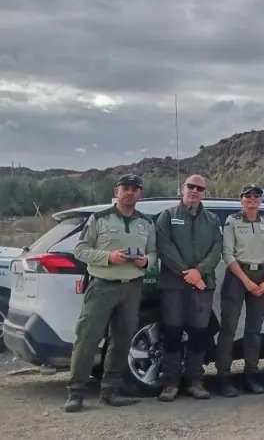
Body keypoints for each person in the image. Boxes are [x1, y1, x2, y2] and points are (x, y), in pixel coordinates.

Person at [63, 174, 155, 413]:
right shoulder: (99, 218)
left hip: (132, 287)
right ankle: (76, 393)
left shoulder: (146, 222)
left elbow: (153, 252)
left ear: (140, 194)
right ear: (117, 192)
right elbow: (80, 250)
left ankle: (111, 391)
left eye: (135, 189)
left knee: (122, 341)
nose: (130, 192)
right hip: (102, 286)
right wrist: (108, 257)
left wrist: (146, 262)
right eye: (125, 188)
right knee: (87, 339)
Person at [154, 174, 222, 401]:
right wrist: (189, 273)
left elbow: (217, 249)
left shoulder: (212, 220)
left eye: (199, 188)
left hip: (203, 286)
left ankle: (195, 381)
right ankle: (170, 383)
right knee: (172, 333)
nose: (194, 191)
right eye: (191, 186)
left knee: (199, 334)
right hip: (174, 286)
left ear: (204, 193)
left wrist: (199, 272)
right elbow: (165, 248)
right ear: (182, 188)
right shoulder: (167, 216)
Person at [216, 183, 264, 397]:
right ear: (241, 199)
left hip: (261, 276)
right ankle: (224, 377)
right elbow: (227, 254)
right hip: (237, 276)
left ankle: (251, 375)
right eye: (248, 196)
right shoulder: (232, 221)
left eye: (256, 196)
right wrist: (246, 281)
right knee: (229, 329)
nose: (252, 199)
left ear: (261, 199)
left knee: (254, 330)